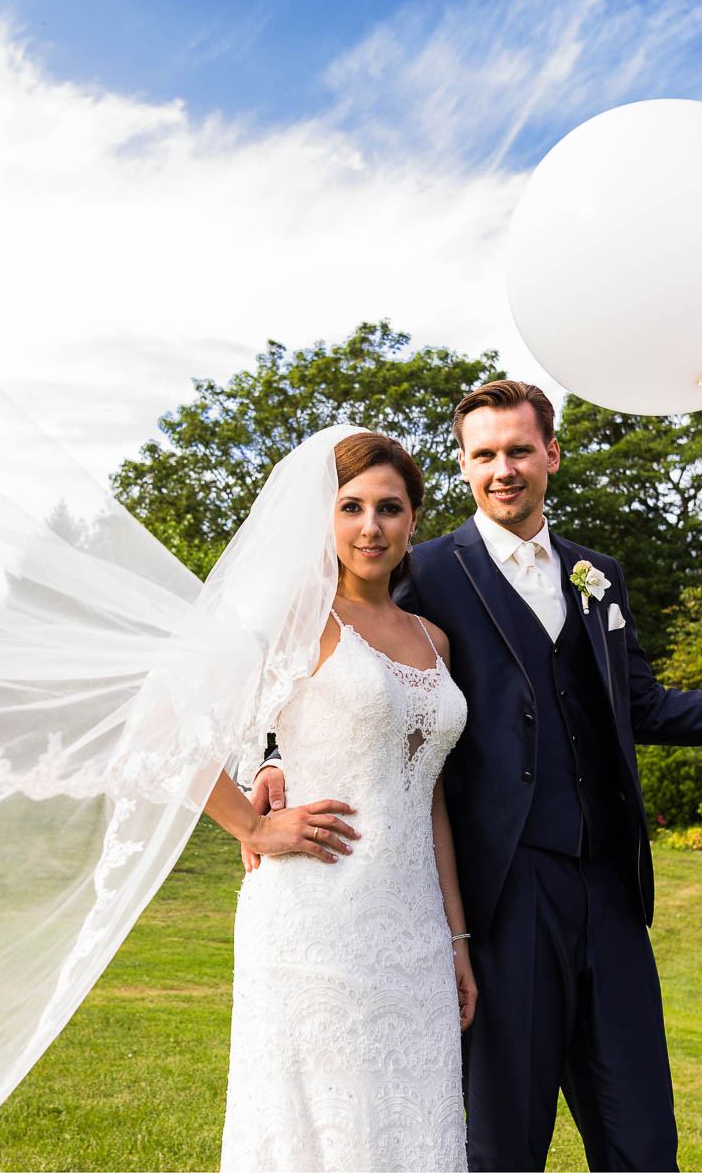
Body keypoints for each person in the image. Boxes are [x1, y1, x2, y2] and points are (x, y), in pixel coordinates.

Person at [249, 381, 702, 1172]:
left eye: (520, 450)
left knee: (643, 1137)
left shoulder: (597, 575)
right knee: (506, 1140)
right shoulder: (418, 570)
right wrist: (268, 760)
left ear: (551, 454)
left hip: (608, 887)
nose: (504, 469)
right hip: (502, 895)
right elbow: (326, 660)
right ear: (464, 468)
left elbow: (648, 706)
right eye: (485, 454)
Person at [202, 430, 475, 1172]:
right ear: (324, 517)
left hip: (414, 934)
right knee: (321, 1138)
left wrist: (456, 942)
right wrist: (254, 822)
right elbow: (171, 735)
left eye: (389, 507)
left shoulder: (435, 641)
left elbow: (433, 802)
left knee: (414, 1135)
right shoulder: (296, 620)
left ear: (413, 518)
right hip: (313, 921)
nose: (370, 526)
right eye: (350, 506)